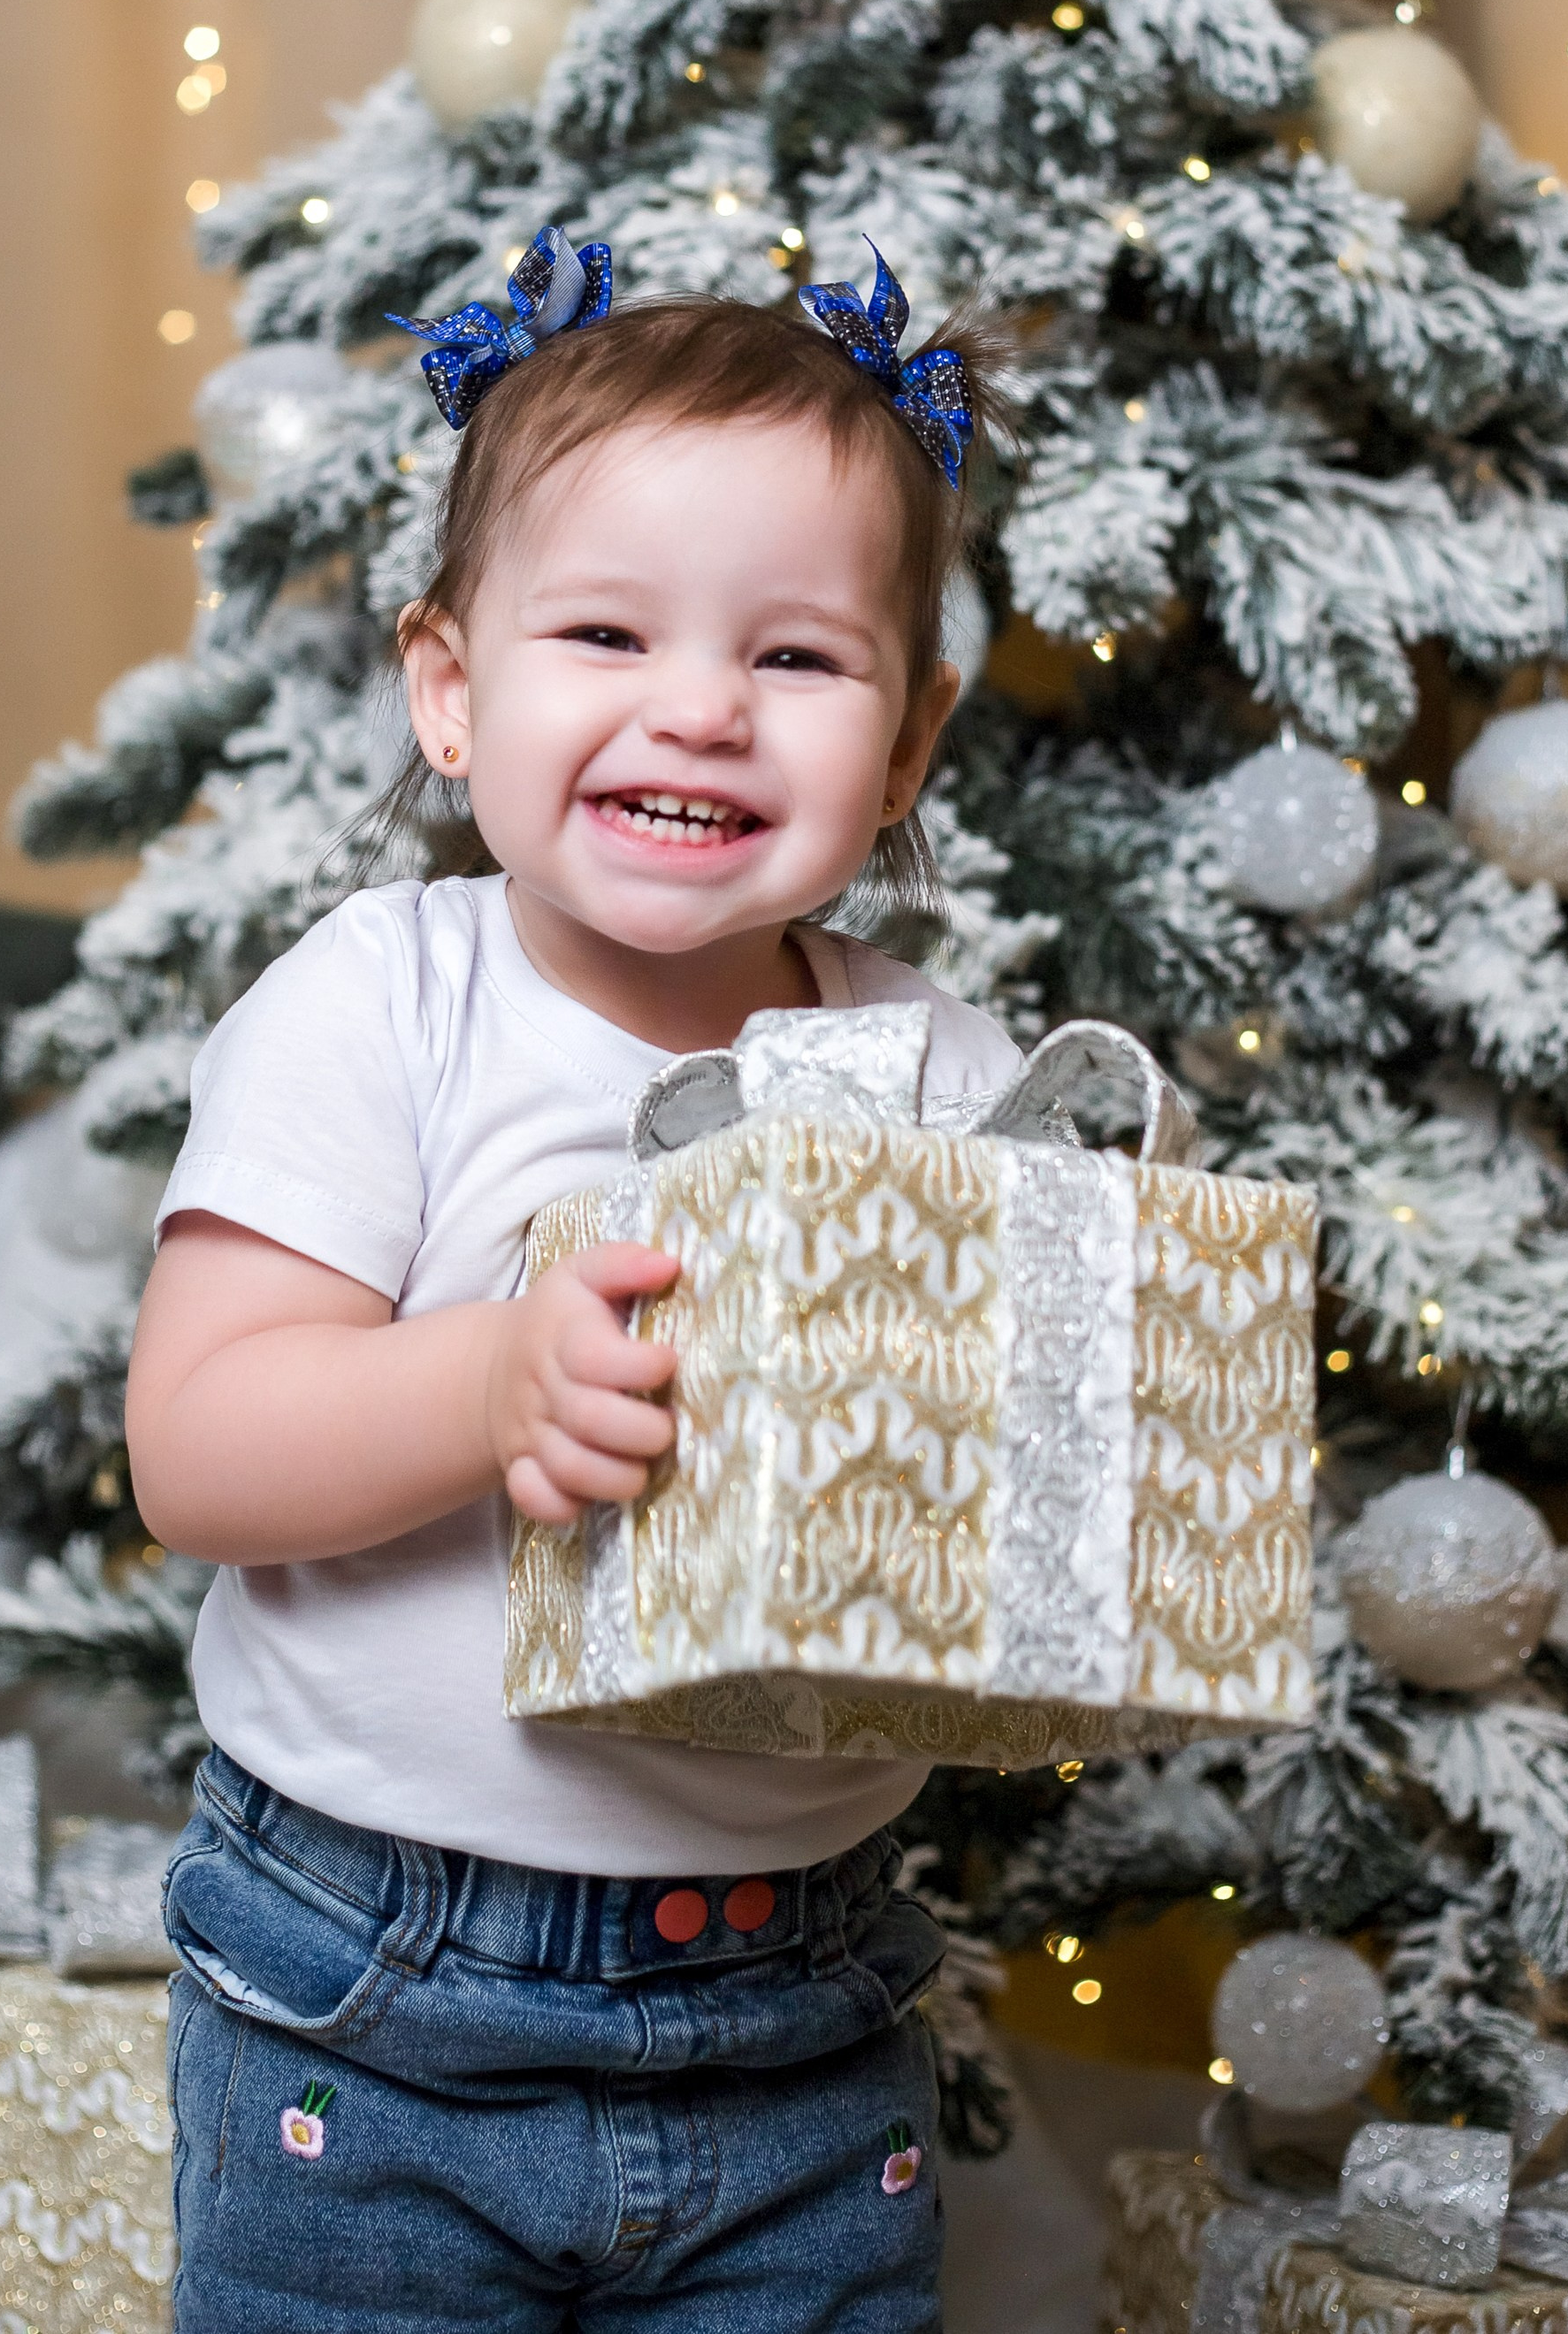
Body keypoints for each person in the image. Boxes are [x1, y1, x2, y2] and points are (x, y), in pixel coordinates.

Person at [128, 226, 1023, 2331]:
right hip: (371, 2003)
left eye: (799, 660)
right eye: (607, 631)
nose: (699, 708)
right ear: (452, 686)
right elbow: (198, 1444)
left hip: (808, 2010)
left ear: (906, 748)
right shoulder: (385, 1004)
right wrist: (488, 1387)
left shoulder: (943, 1072)